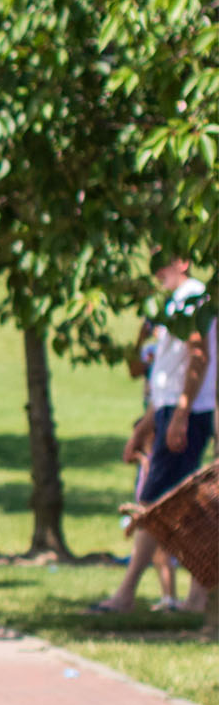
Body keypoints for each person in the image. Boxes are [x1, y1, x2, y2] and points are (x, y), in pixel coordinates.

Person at [95, 254, 213, 614]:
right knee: (187, 510)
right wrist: (146, 427)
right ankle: (197, 599)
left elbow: (199, 357)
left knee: (153, 506)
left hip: (186, 414)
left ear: (184, 262)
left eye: (163, 262)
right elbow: (165, 375)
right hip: (171, 412)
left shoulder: (193, 296)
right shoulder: (173, 304)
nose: (156, 270)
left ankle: (127, 594)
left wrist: (180, 414)